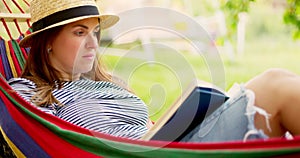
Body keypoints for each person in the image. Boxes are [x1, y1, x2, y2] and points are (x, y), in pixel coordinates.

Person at [9, 0, 300, 142]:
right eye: (79, 32)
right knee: (273, 85)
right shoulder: (26, 92)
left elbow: (147, 130)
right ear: (47, 42)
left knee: (277, 85)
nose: (92, 43)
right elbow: (48, 143)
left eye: (95, 32)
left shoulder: (109, 85)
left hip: (169, 147)